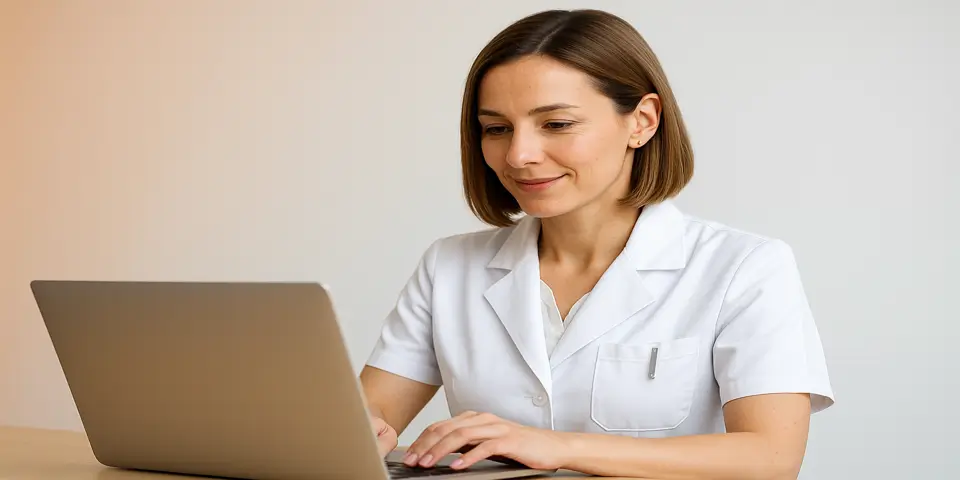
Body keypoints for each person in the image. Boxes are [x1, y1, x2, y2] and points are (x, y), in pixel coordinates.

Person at [359, 8, 834, 480]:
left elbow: (770, 458)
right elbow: (364, 418)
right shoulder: (450, 265)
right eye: (496, 128)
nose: (519, 155)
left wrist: (558, 448)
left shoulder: (743, 267)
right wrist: (361, 432)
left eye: (557, 124)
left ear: (642, 121)